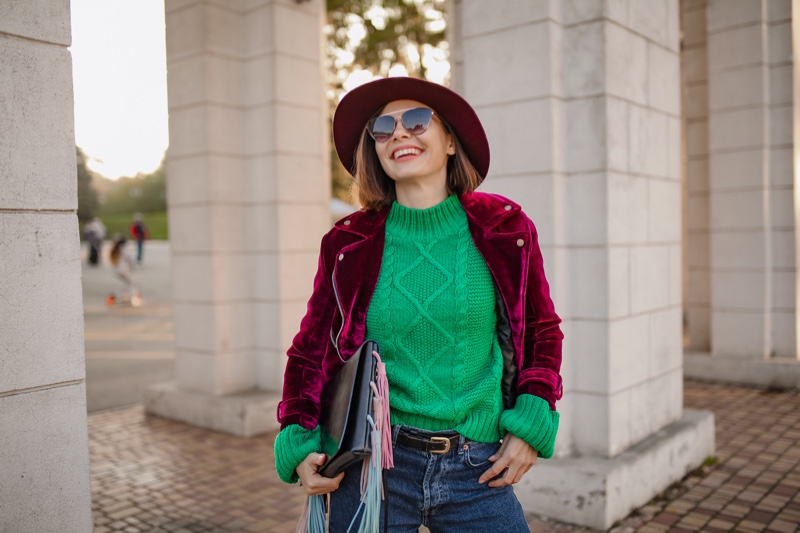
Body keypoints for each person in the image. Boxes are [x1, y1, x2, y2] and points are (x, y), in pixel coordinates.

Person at [274, 77, 563, 532]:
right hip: (374, 468)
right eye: (383, 128)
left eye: (415, 120)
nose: (399, 134)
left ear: (450, 140)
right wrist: (296, 440)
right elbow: (310, 350)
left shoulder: (506, 228)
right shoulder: (348, 243)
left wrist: (531, 421)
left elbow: (542, 329)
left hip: (477, 466)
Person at [108, 235, 139, 304]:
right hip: (124, 271)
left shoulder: (115, 249)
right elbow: (131, 259)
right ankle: (133, 298)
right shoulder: (124, 249)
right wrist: (134, 266)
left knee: (126, 283)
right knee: (132, 283)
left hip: (116, 271)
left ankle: (124, 296)